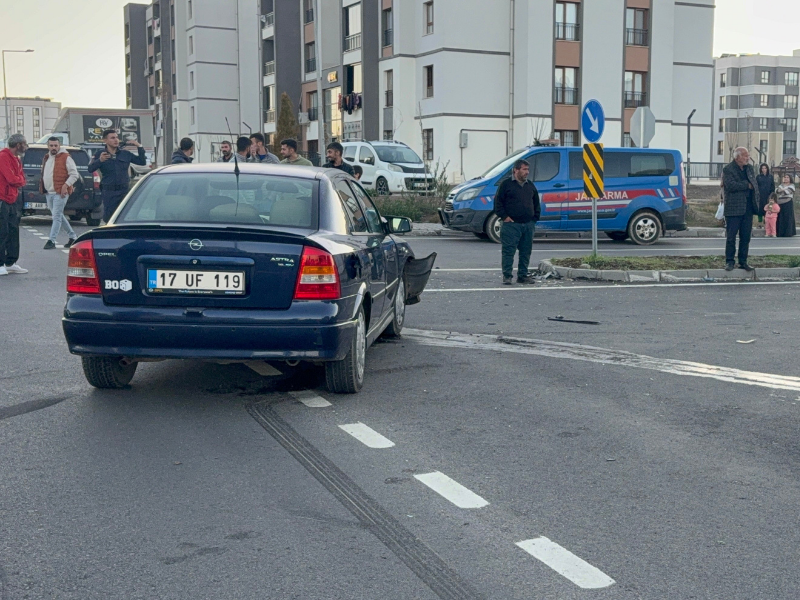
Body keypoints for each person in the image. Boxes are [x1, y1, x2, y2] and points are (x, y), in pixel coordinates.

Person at [494, 159, 540, 285]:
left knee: (526, 252)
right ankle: (507, 276)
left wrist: (534, 219)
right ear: (516, 170)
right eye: (524, 169)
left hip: (528, 224)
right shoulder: (506, 185)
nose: (527, 172)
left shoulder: (530, 185)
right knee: (509, 251)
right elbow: (498, 203)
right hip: (511, 225)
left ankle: (522, 275)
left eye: (528, 170)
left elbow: (536, 203)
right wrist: (504, 217)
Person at [88, 129, 147, 223]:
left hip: (124, 190)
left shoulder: (125, 154)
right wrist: (100, 160)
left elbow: (142, 162)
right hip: (109, 191)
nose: (116, 140)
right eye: (112, 138)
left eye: (116, 137)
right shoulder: (100, 154)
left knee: (124, 217)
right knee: (109, 218)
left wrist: (139, 147)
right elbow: (90, 169)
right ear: (105, 140)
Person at [721, 147, 759, 271]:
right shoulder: (728, 169)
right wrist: (746, 185)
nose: (747, 158)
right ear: (737, 157)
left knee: (746, 237)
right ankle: (730, 261)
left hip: (748, 208)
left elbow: (754, 183)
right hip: (733, 208)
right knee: (731, 237)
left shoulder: (749, 168)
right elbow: (731, 185)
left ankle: (743, 261)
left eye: (748, 156)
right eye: (745, 156)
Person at [40, 137, 78, 249]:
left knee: (56, 216)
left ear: (59, 145)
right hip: (49, 192)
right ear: (48, 146)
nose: (53, 148)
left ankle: (51, 241)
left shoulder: (66, 157)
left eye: (55, 145)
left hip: (60, 193)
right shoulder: (46, 157)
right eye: (51, 145)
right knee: (58, 215)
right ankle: (72, 237)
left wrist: (65, 186)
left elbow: (74, 174)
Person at [0, 134, 29, 275]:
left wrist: (19, 180)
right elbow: (12, 179)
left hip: (12, 198)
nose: (26, 147)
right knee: (2, 231)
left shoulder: (17, 159)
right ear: (18, 145)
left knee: (13, 230)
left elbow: (22, 178)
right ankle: (0, 264)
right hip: (2, 198)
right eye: (24, 144)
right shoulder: (3, 157)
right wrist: (20, 180)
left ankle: (10, 262)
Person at [755, 163, 775, 229]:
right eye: (762, 168)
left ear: (767, 169)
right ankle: (759, 223)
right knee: (760, 209)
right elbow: (756, 186)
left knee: (768, 209)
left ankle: (766, 222)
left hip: (768, 196)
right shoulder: (758, 177)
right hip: (760, 195)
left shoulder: (770, 177)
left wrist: (772, 195)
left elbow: (772, 186)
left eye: (765, 168)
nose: (764, 169)